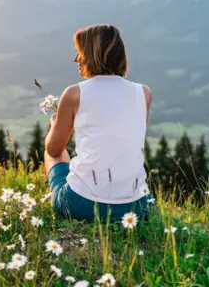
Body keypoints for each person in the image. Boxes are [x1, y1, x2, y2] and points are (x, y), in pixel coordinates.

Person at [44, 24, 152, 222]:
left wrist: (55, 125)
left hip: (82, 205)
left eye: (81, 52)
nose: (76, 59)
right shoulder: (143, 93)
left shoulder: (74, 94)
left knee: (55, 155)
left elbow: (53, 149)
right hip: (137, 208)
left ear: (93, 55)